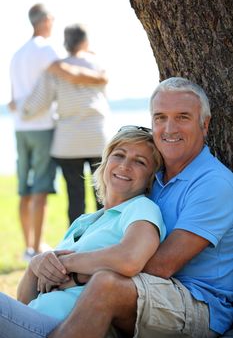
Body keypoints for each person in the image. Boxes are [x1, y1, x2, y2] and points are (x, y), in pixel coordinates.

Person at [47, 77, 232, 338]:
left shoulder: (214, 183)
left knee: (105, 286)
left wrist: (77, 273)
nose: (169, 128)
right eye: (160, 118)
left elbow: (162, 265)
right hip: (149, 289)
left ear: (205, 124)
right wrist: (54, 263)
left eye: (182, 117)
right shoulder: (153, 178)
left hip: (199, 303)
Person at [0, 127, 166, 338]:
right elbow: (26, 302)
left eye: (139, 161)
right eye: (119, 155)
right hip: (35, 321)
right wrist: (36, 265)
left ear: (151, 178)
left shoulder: (141, 208)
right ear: (105, 163)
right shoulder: (84, 221)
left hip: (65, 327)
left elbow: (130, 258)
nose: (125, 165)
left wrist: (66, 264)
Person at [21, 23, 110, 225]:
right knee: (102, 194)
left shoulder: (56, 68)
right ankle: (103, 240)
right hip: (97, 137)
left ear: (65, 43)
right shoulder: (97, 64)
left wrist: (21, 110)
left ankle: (76, 243)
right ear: (85, 41)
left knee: (75, 196)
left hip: (68, 142)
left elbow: (38, 103)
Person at [9, 3, 59, 260]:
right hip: (42, 127)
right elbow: (62, 75)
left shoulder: (17, 54)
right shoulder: (46, 49)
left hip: (20, 127)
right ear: (46, 20)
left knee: (24, 189)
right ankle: (37, 247)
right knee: (40, 187)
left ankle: (28, 246)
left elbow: (13, 97)